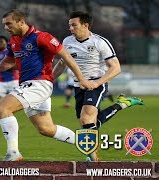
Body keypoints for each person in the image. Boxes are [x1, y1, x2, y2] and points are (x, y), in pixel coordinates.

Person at [0, 9, 93, 161]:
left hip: (39, 84)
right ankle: (90, 147)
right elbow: (8, 62)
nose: (6, 28)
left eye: (9, 24)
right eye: (4, 25)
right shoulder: (14, 40)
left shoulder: (42, 37)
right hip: (29, 86)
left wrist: (81, 79)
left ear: (21, 22)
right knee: (46, 129)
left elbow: (65, 56)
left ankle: (13, 153)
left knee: (2, 108)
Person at [53, 11, 144, 161]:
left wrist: (97, 83)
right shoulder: (67, 41)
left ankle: (93, 157)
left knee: (87, 117)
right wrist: (49, 79)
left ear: (85, 25)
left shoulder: (100, 42)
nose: (70, 28)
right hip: (78, 86)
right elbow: (63, 63)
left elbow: (116, 67)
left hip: (96, 84)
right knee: (87, 122)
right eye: (69, 25)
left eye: (74, 25)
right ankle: (121, 105)